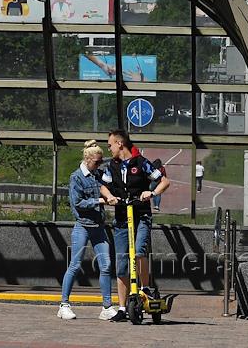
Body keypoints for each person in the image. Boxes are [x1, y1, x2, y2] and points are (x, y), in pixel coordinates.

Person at [100, 129, 169, 319]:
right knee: (122, 262)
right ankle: (122, 308)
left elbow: (164, 181)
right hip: (122, 217)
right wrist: (109, 196)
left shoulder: (141, 162)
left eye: (110, 145)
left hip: (141, 215)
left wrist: (152, 193)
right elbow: (104, 186)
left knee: (139, 252)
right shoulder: (112, 166)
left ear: (120, 143)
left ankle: (145, 288)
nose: (109, 149)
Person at [58, 140, 120, 321]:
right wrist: (100, 201)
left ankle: (107, 306)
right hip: (83, 226)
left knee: (106, 265)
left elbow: (106, 187)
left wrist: (110, 195)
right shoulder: (76, 177)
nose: (99, 165)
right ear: (87, 159)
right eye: (97, 162)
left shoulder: (98, 174)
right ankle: (64, 304)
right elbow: (77, 203)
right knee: (75, 264)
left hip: (98, 226)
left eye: (101, 161)